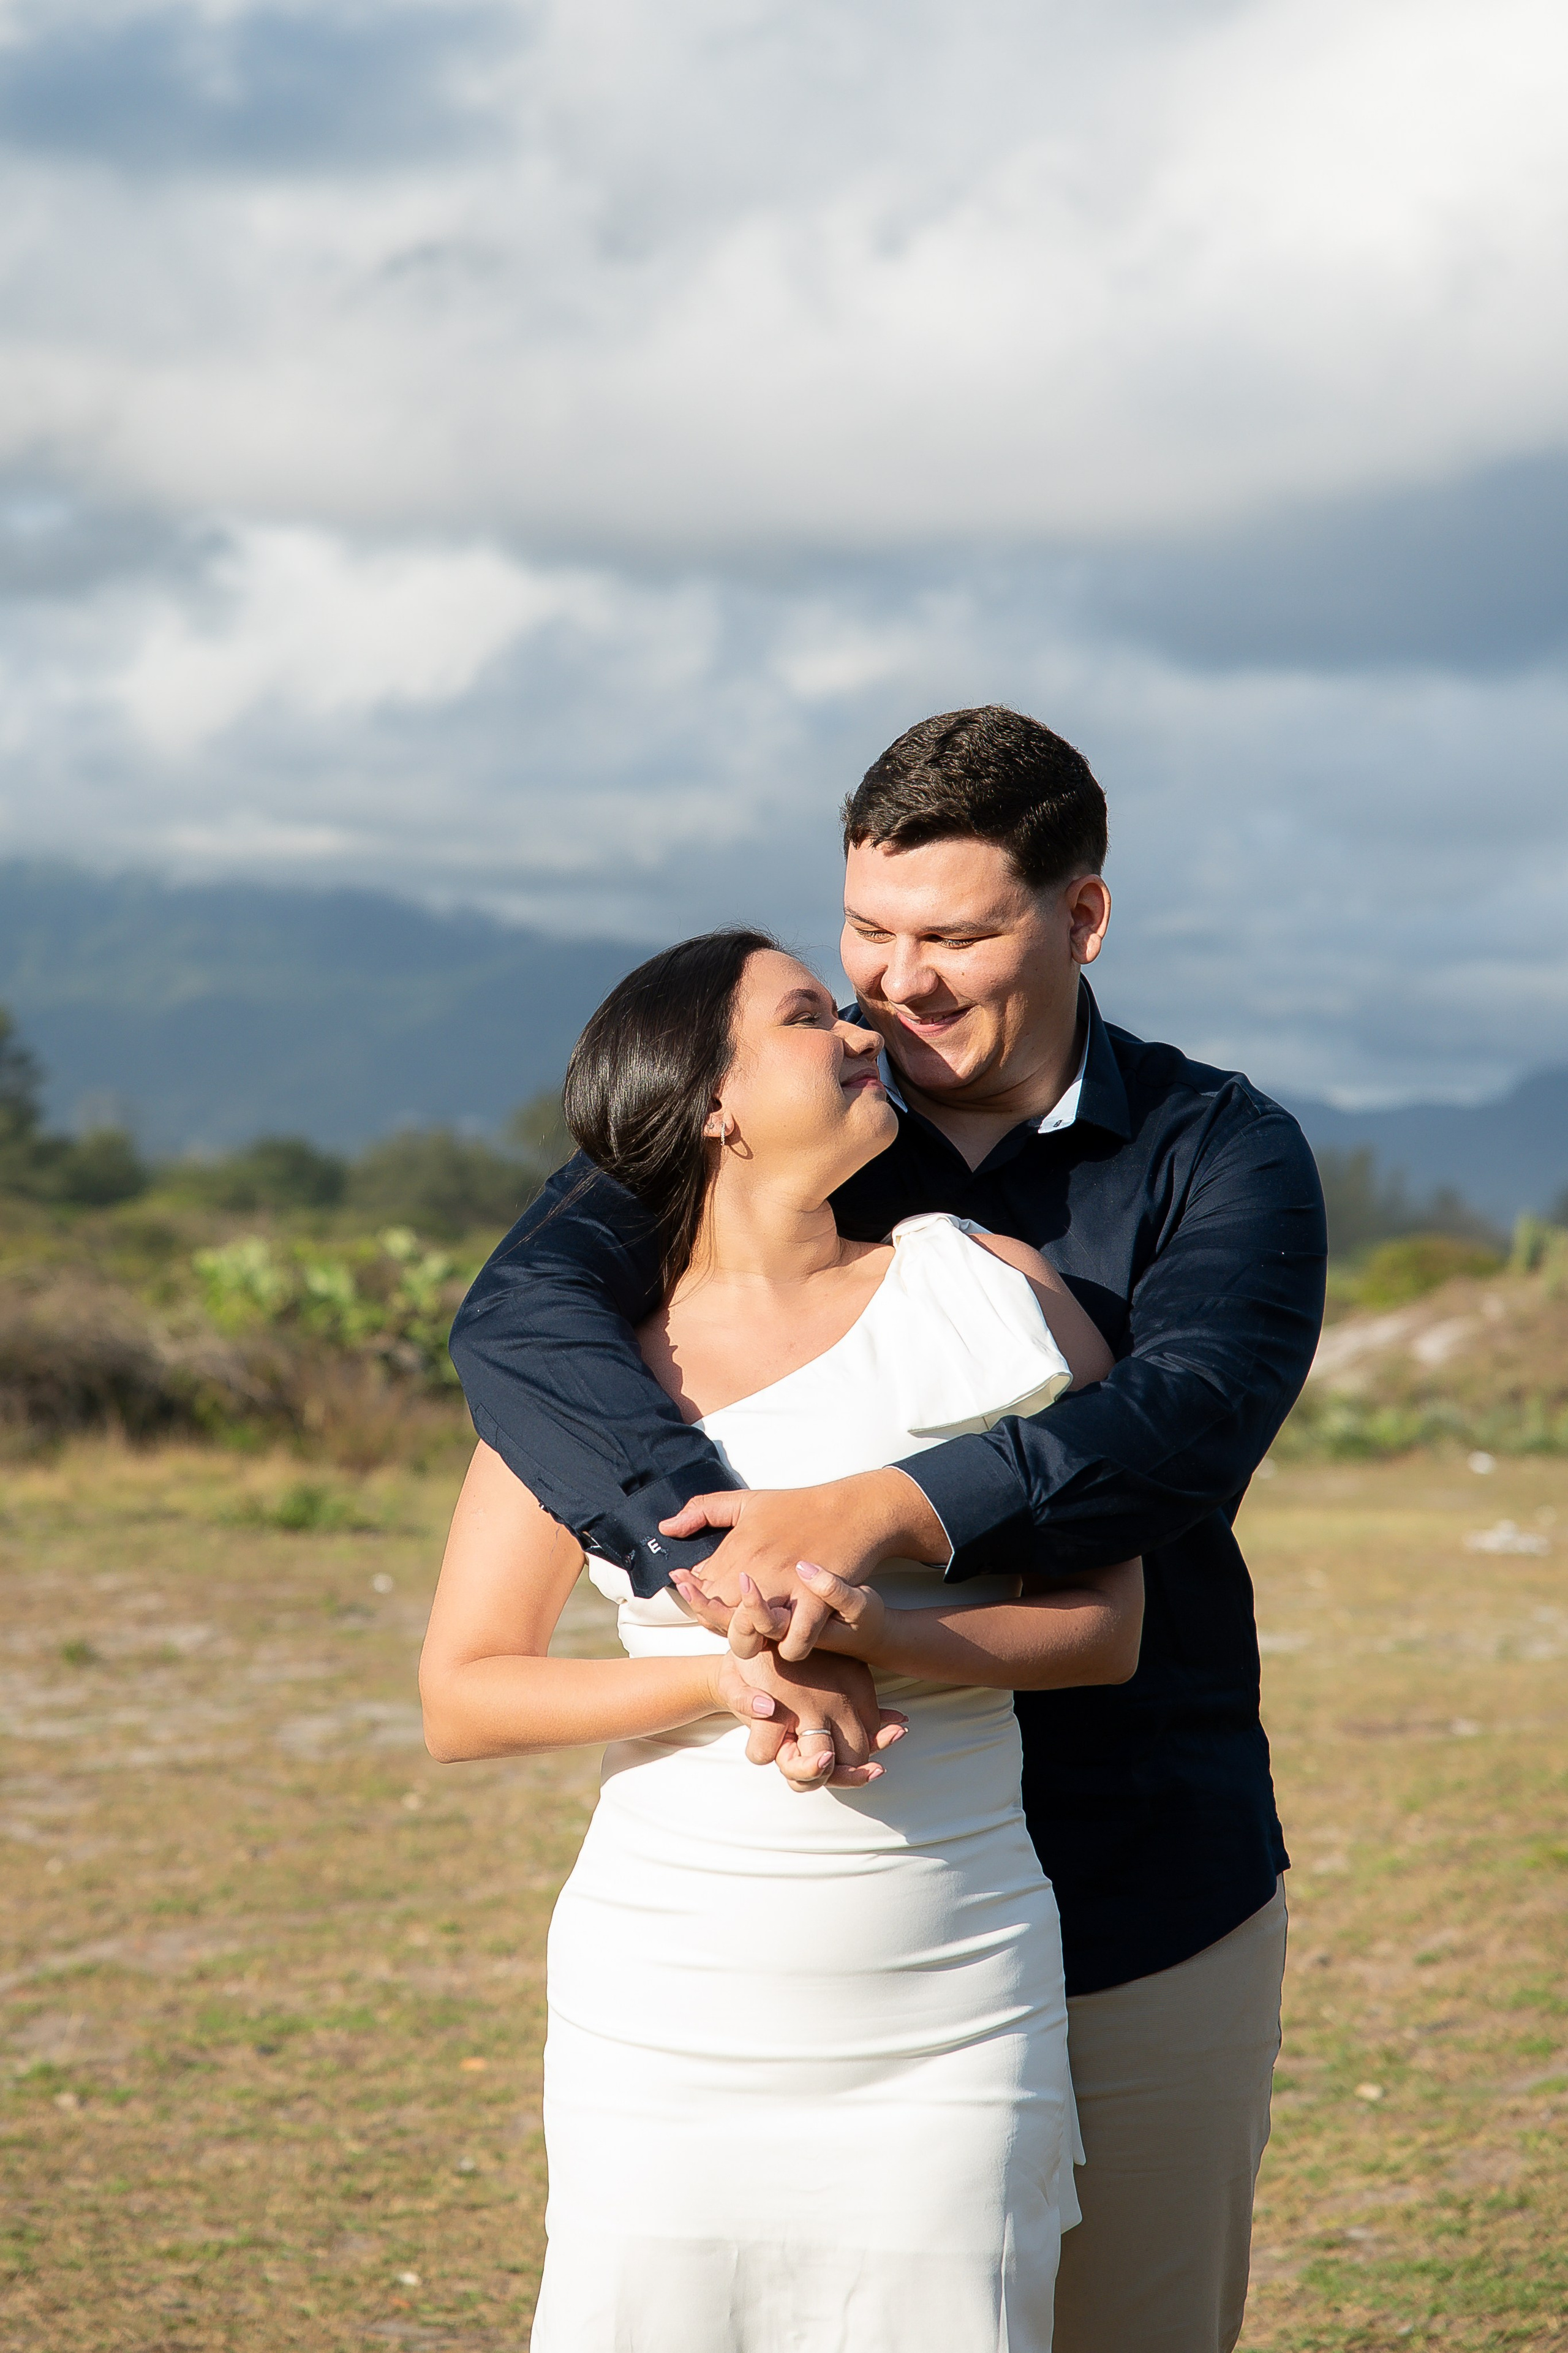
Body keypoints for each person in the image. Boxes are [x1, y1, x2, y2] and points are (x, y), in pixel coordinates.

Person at [450, 705, 1329, 2353]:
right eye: (868, 932)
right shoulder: (787, 1115)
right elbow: (519, 1320)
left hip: (1143, 1872)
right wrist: (723, 1571)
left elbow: (1185, 1421)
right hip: (812, 1903)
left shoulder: (1222, 1156)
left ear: (1083, 916)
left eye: (957, 935)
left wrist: (878, 1515)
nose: (898, 984)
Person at [421, 930, 1145, 2352]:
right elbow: (462, 1693)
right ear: (710, 1102)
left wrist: (878, 1629)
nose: (864, 1025)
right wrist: (721, 1676)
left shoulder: (989, 1289)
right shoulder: (582, 1364)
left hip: (952, 1996)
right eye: (810, 1014)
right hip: (669, 2007)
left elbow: (1103, 1628)